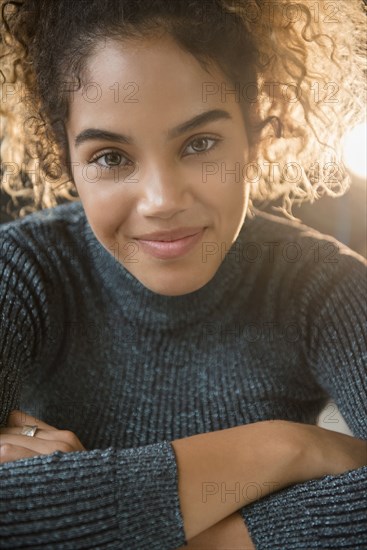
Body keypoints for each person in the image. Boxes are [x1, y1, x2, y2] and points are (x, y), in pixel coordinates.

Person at [0, 0, 366, 548]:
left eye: (199, 144)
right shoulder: (22, 269)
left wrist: (72, 511)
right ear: (66, 160)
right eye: (111, 157)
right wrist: (287, 448)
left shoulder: (321, 283)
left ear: (255, 134)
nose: (162, 201)